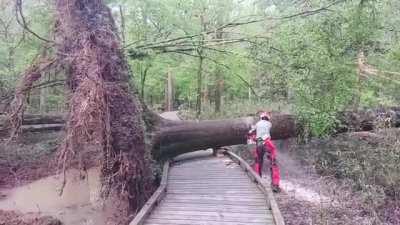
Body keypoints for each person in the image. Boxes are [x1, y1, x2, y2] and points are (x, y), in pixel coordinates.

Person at [248, 111, 281, 192]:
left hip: (259, 143)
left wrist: (254, 139)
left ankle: (257, 180)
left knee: (258, 162)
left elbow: (250, 133)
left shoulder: (257, 124)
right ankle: (275, 185)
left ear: (261, 118)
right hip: (267, 143)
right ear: (268, 118)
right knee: (273, 163)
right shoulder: (269, 124)